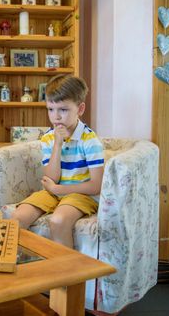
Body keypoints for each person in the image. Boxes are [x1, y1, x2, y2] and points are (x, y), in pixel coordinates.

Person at [10, 74, 104, 248]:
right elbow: (51, 178)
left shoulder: (90, 141)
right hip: (53, 192)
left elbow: (96, 185)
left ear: (80, 109)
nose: (56, 117)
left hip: (82, 195)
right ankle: (24, 270)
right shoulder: (48, 139)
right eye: (51, 109)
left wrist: (60, 189)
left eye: (63, 109)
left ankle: (66, 273)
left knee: (59, 220)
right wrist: (57, 146)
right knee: (17, 218)